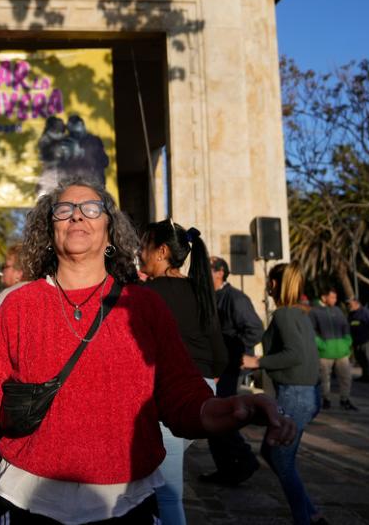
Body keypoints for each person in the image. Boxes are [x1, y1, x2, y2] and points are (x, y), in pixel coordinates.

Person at [0, 178, 296, 525]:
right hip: (25, 501)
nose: (77, 215)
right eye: (64, 209)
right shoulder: (18, 305)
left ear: (109, 228)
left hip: (126, 504)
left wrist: (235, 409)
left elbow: (183, 399)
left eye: (91, 208)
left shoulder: (144, 307)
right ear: (48, 227)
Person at [138, 220, 227, 525]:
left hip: (173, 398)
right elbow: (220, 356)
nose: (139, 252)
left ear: (161, 251)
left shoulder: (147, 294)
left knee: (167, 494)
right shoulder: (200, 291)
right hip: (202, 393)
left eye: (143, 245)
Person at [242, 262, 325, 525]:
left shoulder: (284, 316)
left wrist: (256, 362)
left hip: (296, 395)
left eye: (269, 281)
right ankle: (312, 514)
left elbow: (295, 354)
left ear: (275, 284)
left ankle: (306, 519)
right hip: (306, 393)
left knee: (280, 457)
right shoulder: (299, 313)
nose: (267, 285)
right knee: (272, 452)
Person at [200, 255, 264, 486]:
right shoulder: (207, 297)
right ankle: (226, 467)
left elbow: (255, 329)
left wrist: (237, 353)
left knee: (220, 415)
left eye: (206, 268)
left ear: (219, 272)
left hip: (227, 369)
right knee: (213, 416)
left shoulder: (236, 299)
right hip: (212, 365)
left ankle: (244, 459)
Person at [310, 286, 355, 410]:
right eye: (332, 297)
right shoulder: (314, 311)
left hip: (342, 351)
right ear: (324, 298)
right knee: (324, 377)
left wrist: (347, 341)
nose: (335, 300)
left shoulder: (338, 310)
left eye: (335, 297)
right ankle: (326, 400)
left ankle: (345, 400)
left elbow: (346, 327)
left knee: (346, 376)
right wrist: (320, 344)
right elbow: (311, 330)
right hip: (325, 352)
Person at [347, 296, 369, 383]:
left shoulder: (366, 312)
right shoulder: (351, 314)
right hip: (357, 341)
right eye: (347, 304)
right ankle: (365, 375)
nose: (348, 305)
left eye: (349, 303)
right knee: (360, 359)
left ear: (356, 303)